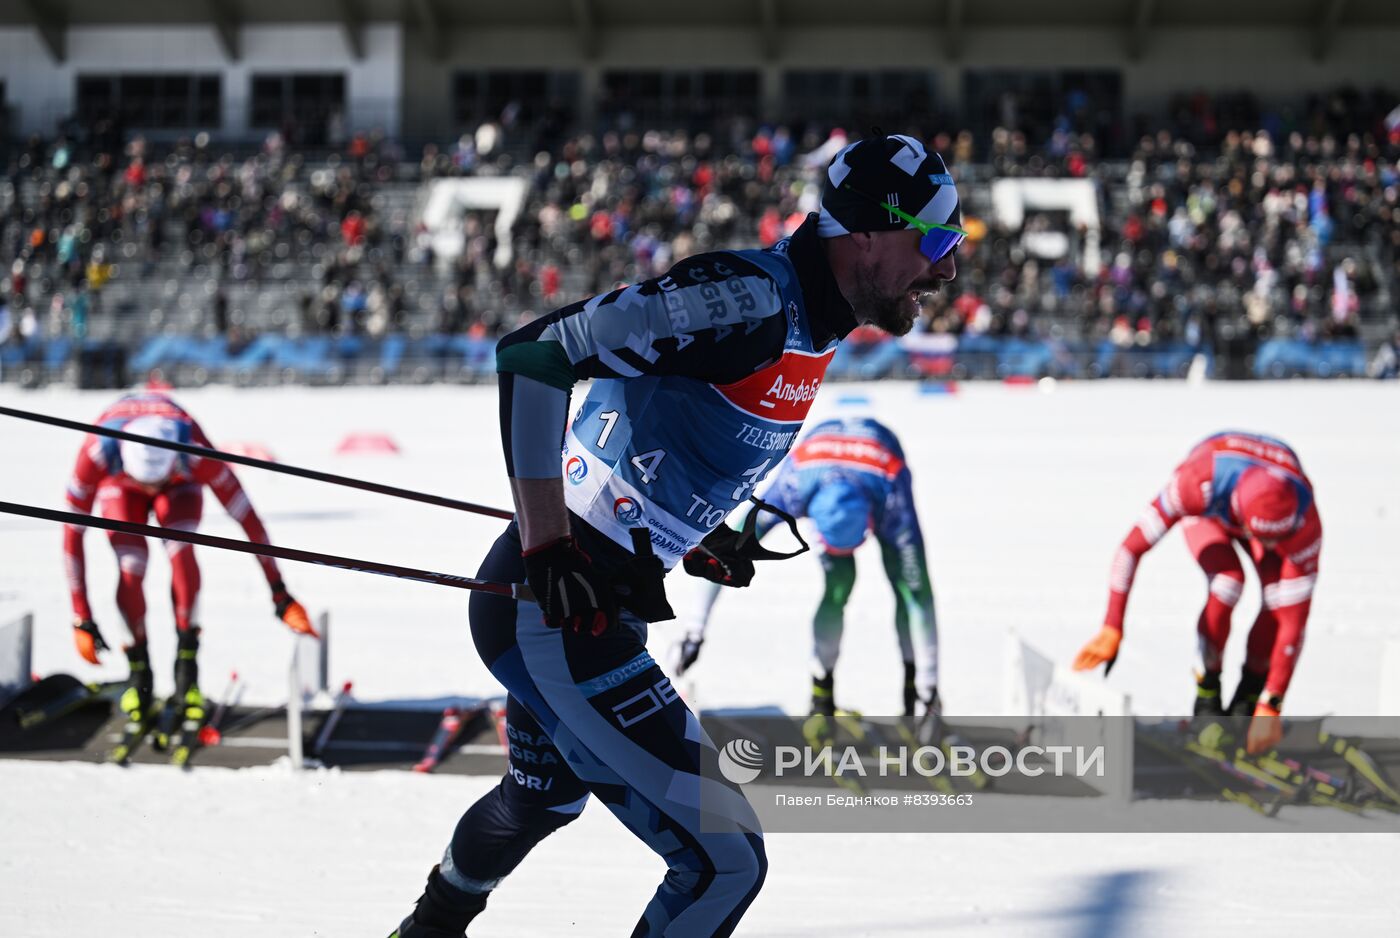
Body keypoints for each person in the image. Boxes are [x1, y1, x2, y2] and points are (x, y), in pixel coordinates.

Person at [391, 134, 964, 938]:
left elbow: (650, 422)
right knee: (726, 860)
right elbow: (537, 353)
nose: (948, 270)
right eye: (936, 243)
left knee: (540, 800)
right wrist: (550, 544)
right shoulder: (750, 301)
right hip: (554, 608)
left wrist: (695, 532)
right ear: (866, 230)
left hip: (578, 595)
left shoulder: (815, 318)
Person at [63, 391, 315, 731]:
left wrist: (279, 591)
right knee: (130, 565)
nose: (152, 492)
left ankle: (186, 675)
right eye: (146, 482)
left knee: (181, 551)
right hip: (122, 487)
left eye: (157, 482)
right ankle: (140, 676)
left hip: (179, 486)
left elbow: (248, 519)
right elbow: (71, 536)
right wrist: (81, 616)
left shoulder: (196, 450)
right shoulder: (96, 453)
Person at [673, 414, 939, 721]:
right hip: (822, 463)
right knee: (840, 584)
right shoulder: (792, 485)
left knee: (908, 586)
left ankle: (917, 697)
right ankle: (822, 698)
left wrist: (929, 688)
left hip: (878, 467)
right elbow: (720, 552)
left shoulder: (893, 495)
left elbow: (921, 597)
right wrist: (695, 630)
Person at [1072, 431, 1322, 755]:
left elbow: (1294, 620)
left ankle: (1247, 699)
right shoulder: (1194, 485)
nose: (1269, 548)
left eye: (1274, 541)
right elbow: (1129, 550)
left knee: (1277, 598)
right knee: (1228, 582)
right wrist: (1112, 626)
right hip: (1212, 511)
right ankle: (1208, 697)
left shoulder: (1306, 522)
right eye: (1262, 538)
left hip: (1255, 512)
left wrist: (1272, 701)